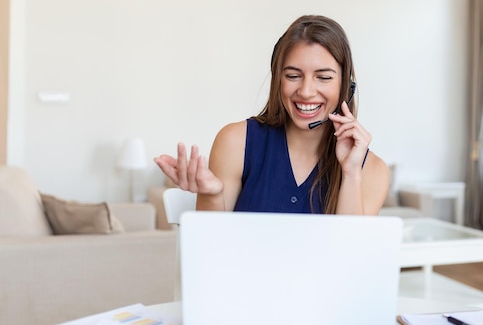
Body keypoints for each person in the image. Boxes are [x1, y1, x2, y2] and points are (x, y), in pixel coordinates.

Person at [154, 15, 389, 215]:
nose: (306, 92)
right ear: (278, 80)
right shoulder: (236, 141)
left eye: (324, 77)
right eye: (293, 75)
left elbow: (350, 258)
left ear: (345, 87)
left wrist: (350, 173)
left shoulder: (372, 170)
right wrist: (211, 194)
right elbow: (210, 251)